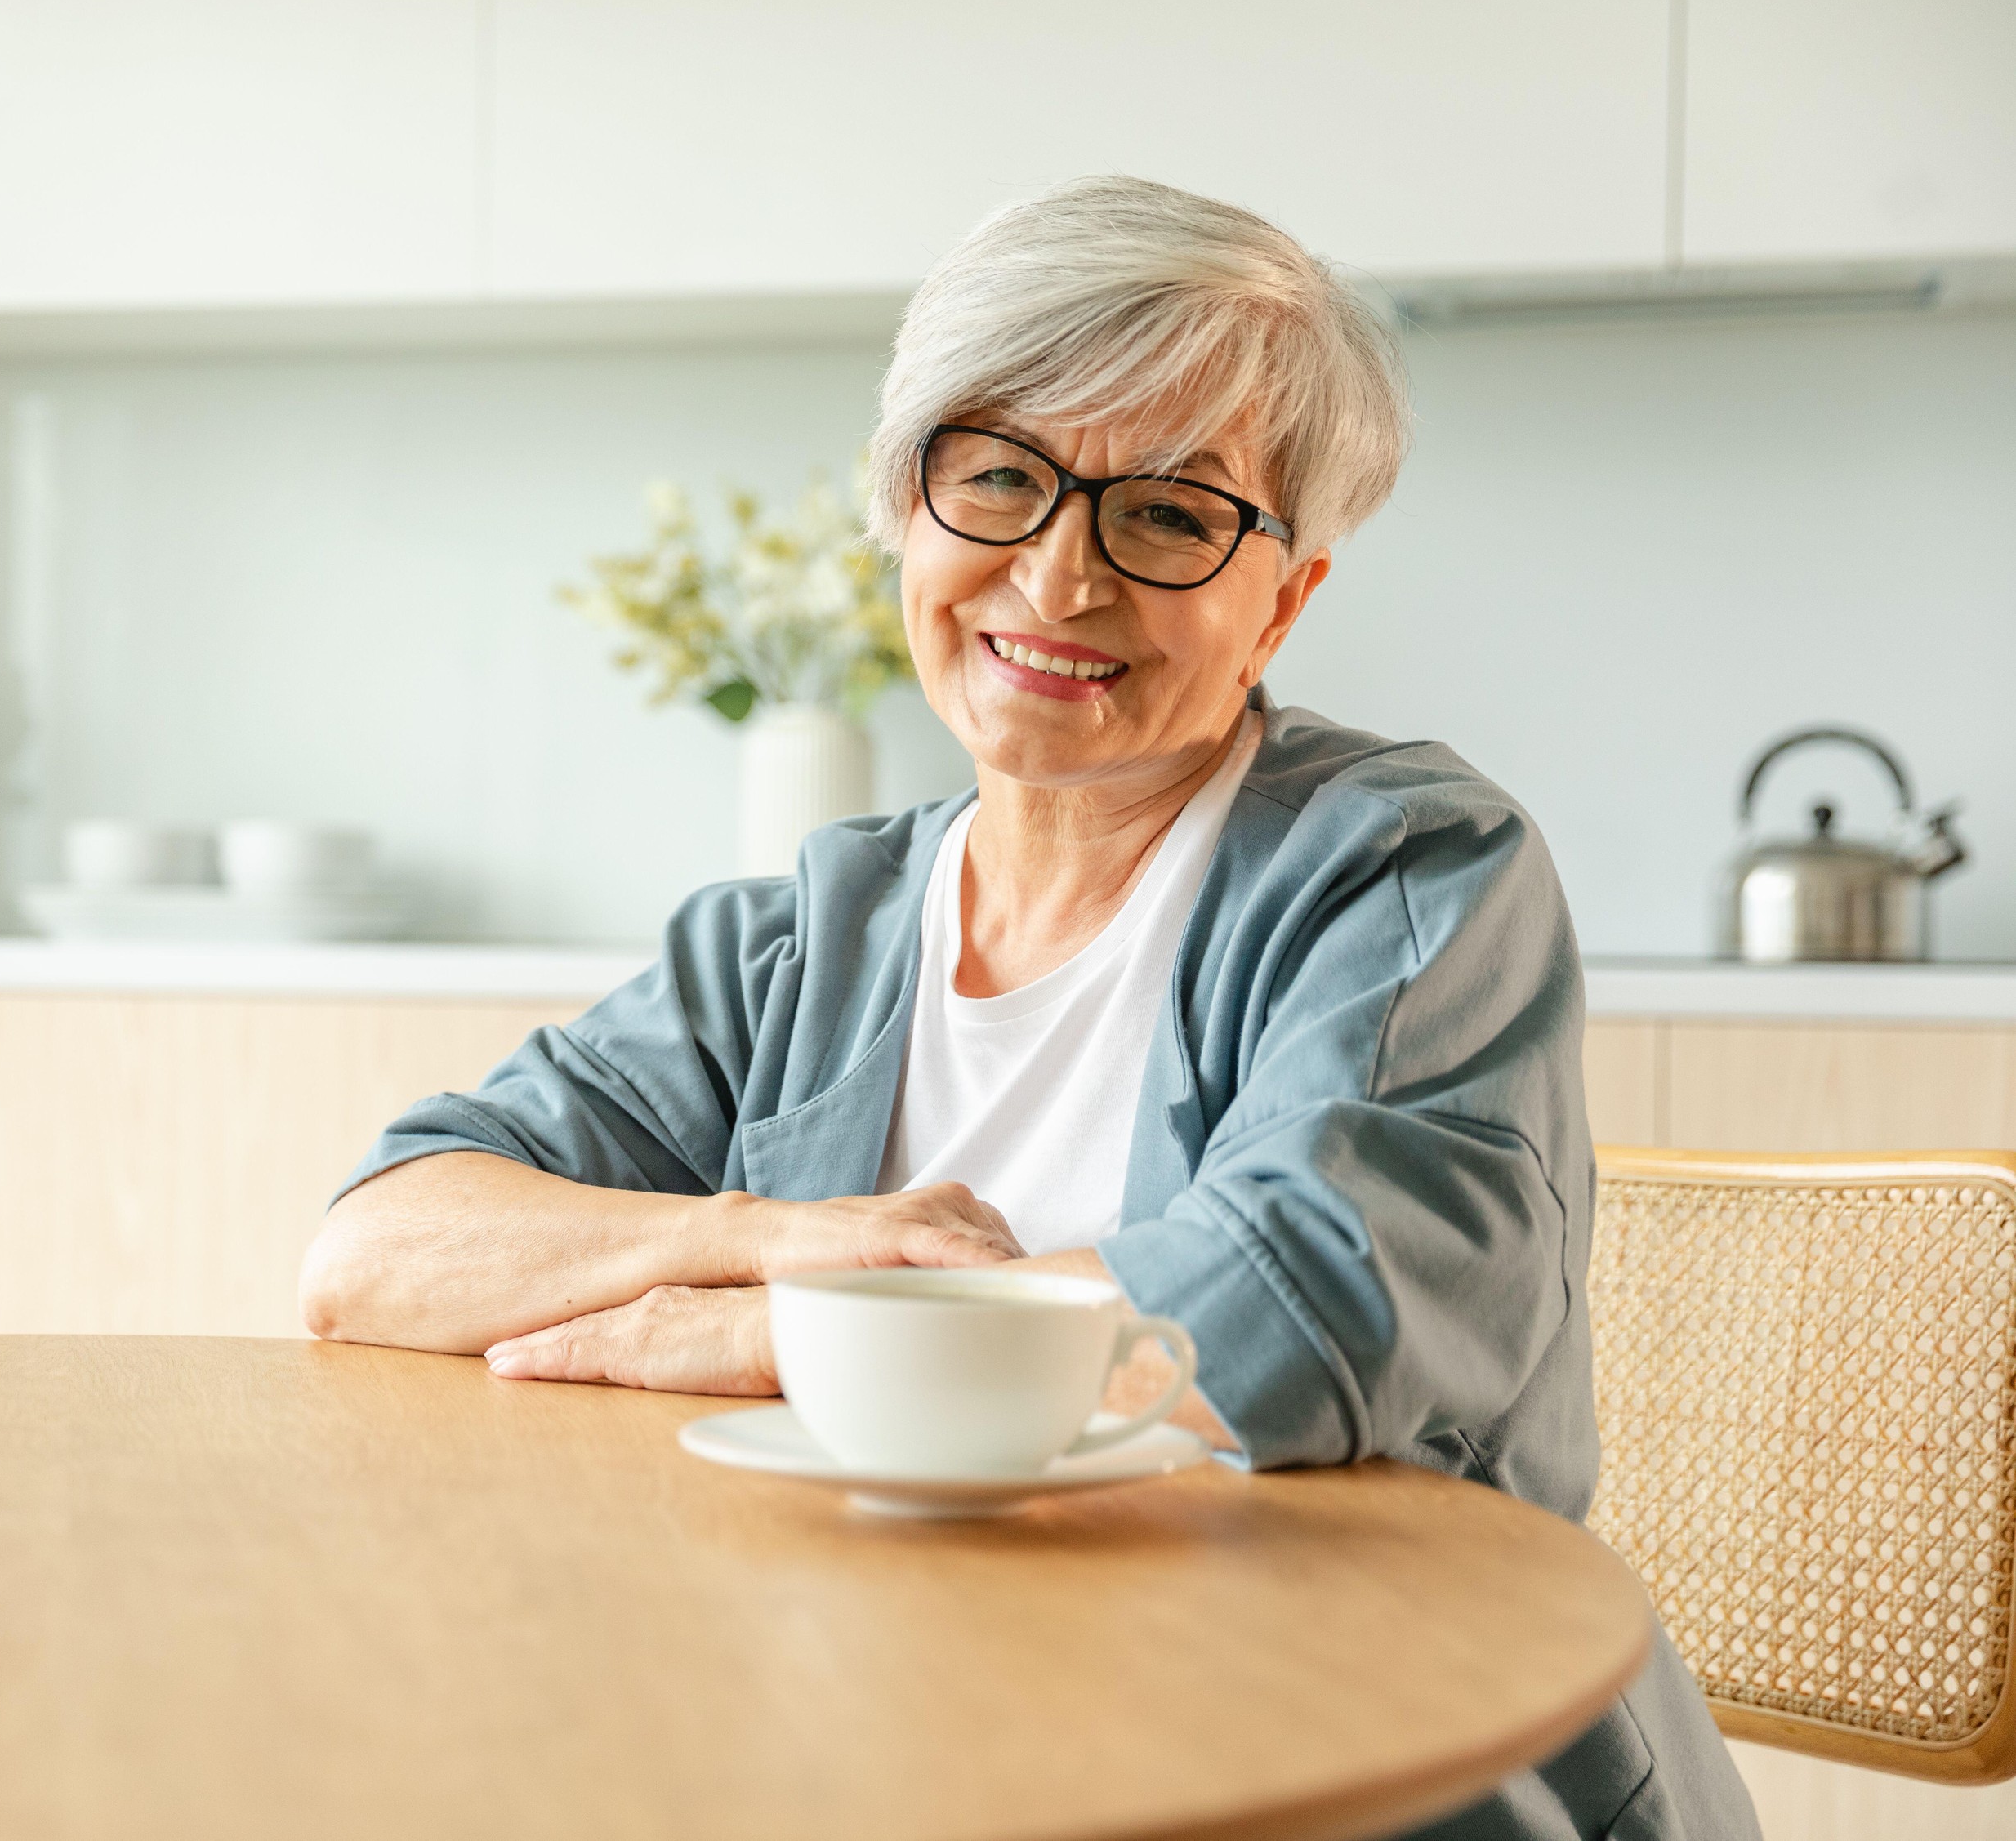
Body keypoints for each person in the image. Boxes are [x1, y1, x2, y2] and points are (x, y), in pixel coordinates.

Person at [299, 176, 1755, 1840]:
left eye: (1164, 514)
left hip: (1375, 1766)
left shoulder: (1406, 866)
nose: (1056, 579)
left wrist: (764, 1334)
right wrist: (778, 1237)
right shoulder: (807, 934)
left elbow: (1300, 1298)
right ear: (904, 516)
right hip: (884, 1732)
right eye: (995, 478)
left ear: (1282, 594)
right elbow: (375, 1248)